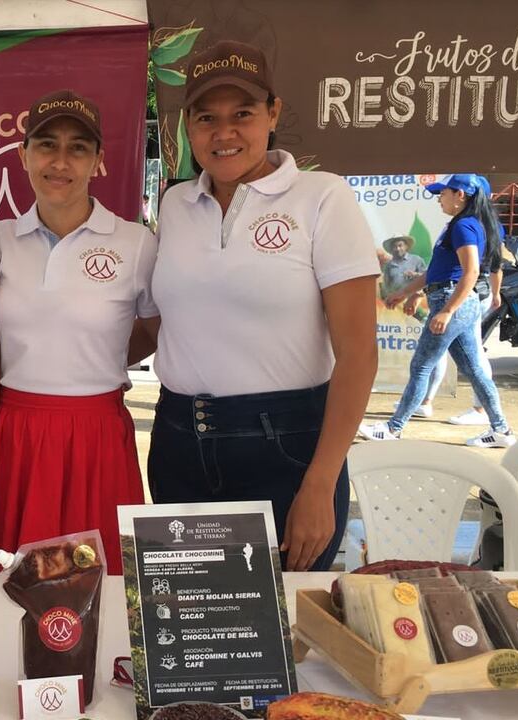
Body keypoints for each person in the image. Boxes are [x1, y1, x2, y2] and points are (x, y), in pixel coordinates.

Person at [133, 41, 380, 572]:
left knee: (281, 633)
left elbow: (358, 355)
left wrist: (320, 481)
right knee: (192, 626)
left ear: (272, 113)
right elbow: (159, 322)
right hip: (179, 440)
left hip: (286, 447)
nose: (224, 133)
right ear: (188, 127)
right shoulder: (176, 203)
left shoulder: (322, 197)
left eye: (241, 113)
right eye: (206, 118)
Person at [0, 90, 156, 575]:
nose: (60, 162)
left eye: (78, 148)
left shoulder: (135, 243)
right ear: (23, 154)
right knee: (4, 593)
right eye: (46, 145)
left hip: (96, 440)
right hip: (10, 437)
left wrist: (97, 358)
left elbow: (155, 328)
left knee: (96, 596)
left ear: (99, 161)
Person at [360, 174, 515, 448]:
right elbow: (436, 272)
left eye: (443, 193)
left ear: (461, 196)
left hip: (452, 301)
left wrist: (447, 311)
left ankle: (394, 428)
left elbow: (471, 272)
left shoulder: (464, 226)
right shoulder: (464, 224)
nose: (439, 198)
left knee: (421, 364)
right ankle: (501, 430)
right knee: (474, 369)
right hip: (451, 299)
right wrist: (406, 292)